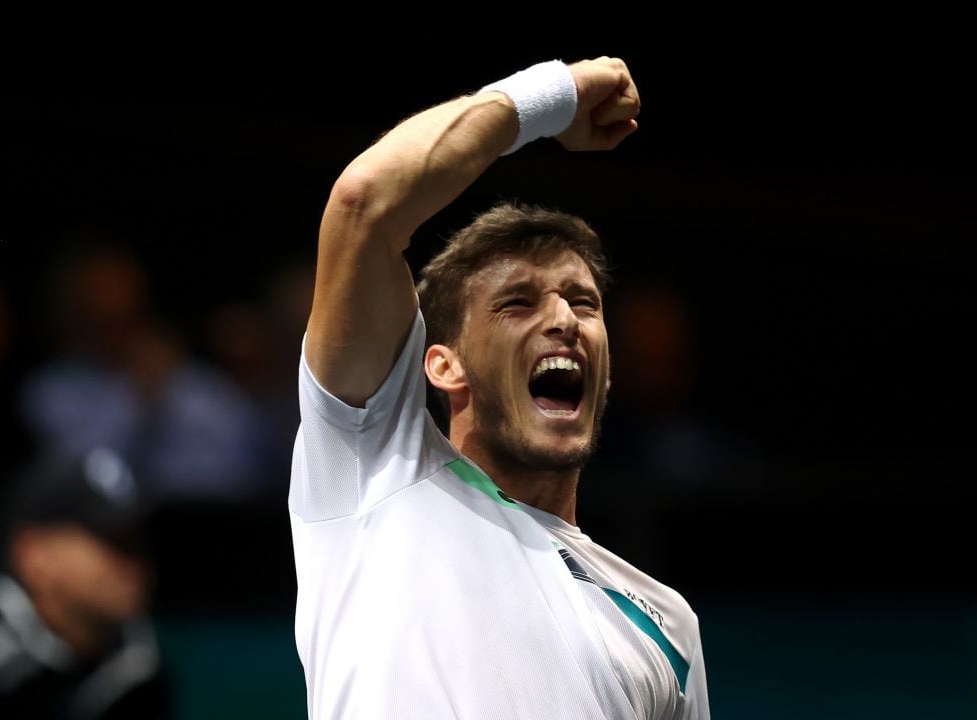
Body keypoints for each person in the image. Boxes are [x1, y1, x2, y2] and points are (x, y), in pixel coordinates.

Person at [289, 56, 710, 718]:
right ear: (444, 364)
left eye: (583, 301)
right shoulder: (372, 466)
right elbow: (365, 201)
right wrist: (548, 99)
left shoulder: (666, 627)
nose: (564, 319)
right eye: (518, 302)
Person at [0, 446, 170, 719]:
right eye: (114, 543)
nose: (135, 563)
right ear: (34, 557)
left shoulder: (142, 667)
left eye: (140, 543)